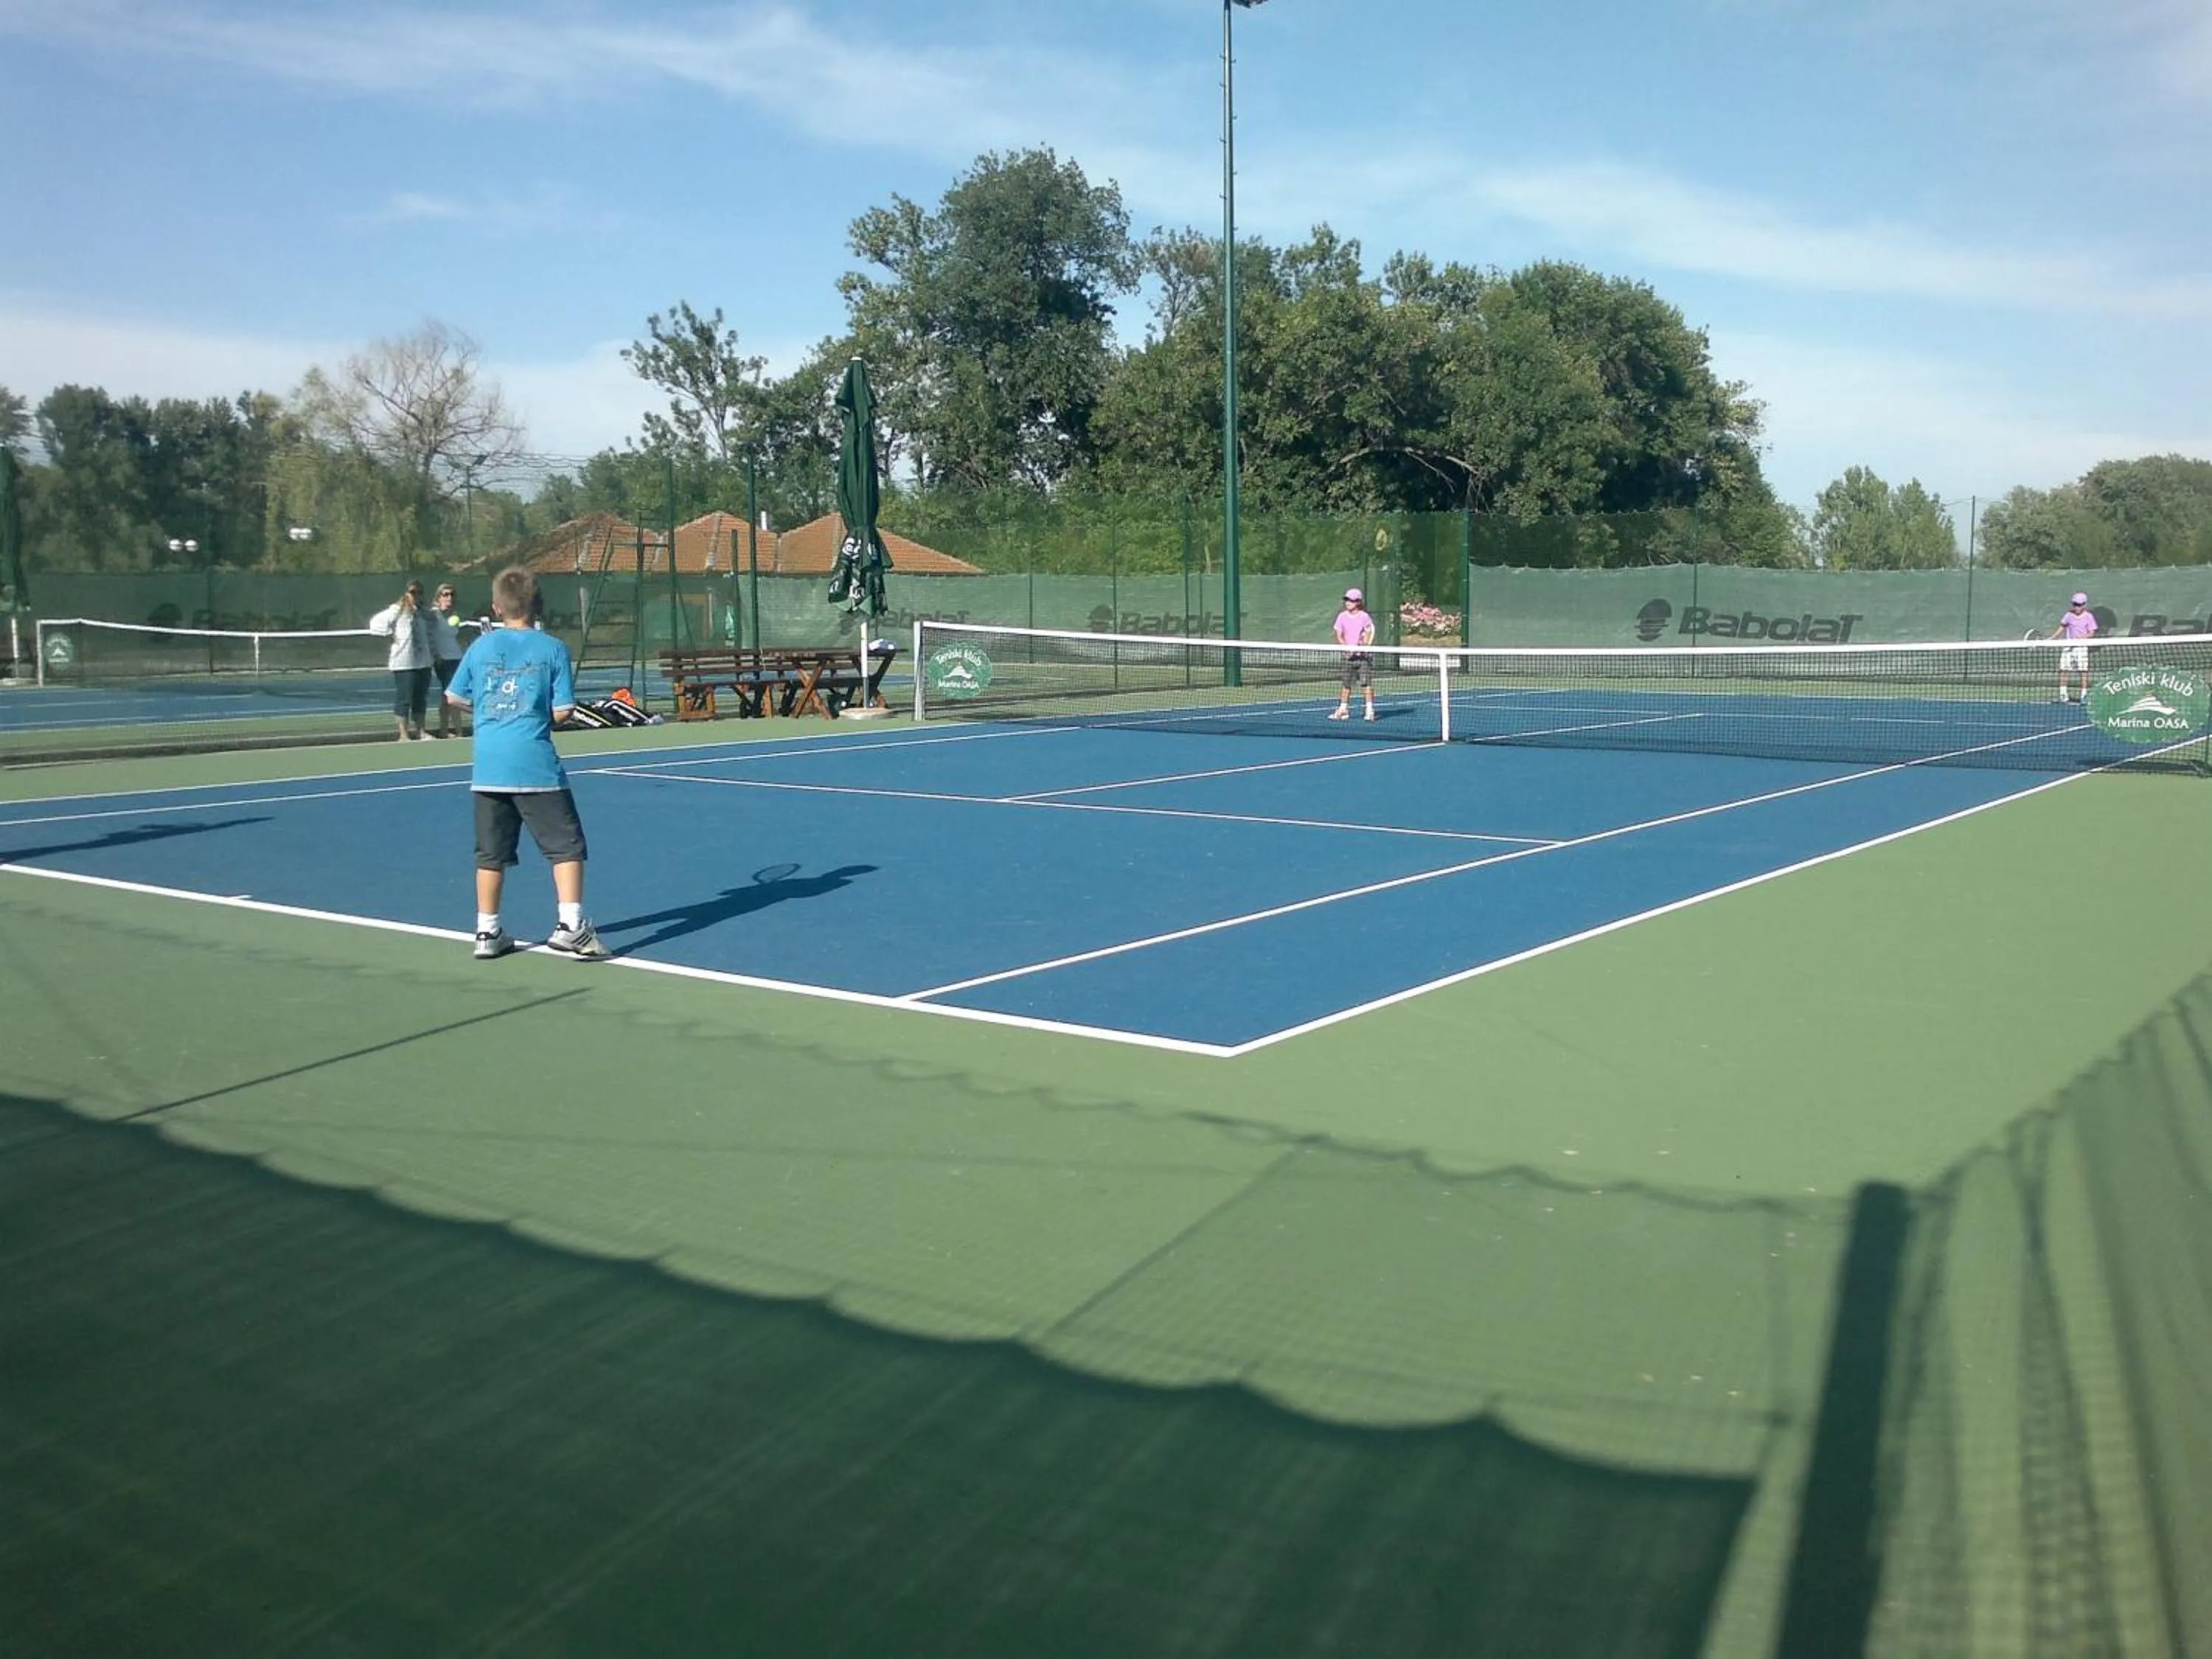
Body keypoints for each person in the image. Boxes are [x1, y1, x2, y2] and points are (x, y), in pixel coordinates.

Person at [446, 566, 609, 961]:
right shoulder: (553, 648)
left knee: (490, 854)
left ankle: (487, 931)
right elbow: (564, 711)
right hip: (536, 766)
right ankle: (570, 926)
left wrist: (491, 711)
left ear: (495, 607)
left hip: (488, 768)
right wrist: (532, 714)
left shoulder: (480, 648)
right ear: (539, 605)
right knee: (567, 847)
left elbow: (454, 697)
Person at [367, 580, 437, 741]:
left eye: (419, 592)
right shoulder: (396, 611)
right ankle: (404, 734)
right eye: (413, 592)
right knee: (404, 699)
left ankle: (421, 731)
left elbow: (434, 626)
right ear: (406, 593)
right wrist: (391, 634)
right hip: (404, 663)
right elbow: (375, 624)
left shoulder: (423, 613)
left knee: (420, 699)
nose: (416, 596)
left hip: (423, 663)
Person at [1329, 587, 1377, 721]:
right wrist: (1346, 648)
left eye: (1351, 600)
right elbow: (1339, 634)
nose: (1348, 603)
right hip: (1348, 657)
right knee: (1346, 684)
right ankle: (1343, 709)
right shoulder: (1342, 617)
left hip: (1363, 658)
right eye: (1346, 600)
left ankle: (1369, 710)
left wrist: (1363, 647)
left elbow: (1368, 632)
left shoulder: (1364, 617)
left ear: (1357, 602)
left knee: (1366, 684)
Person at [428, 583, 469, 737]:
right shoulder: (433, 615)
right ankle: (452, 730)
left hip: (456, 658)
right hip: (442, 660)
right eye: (445, 594)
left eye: (451, 594)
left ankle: (451, 730)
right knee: (450, 695)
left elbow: (454, 637)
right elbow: (430, 637)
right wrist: (435, 655)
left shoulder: (455, 616)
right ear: (438, 597)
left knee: (451, 695)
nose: (449, 597)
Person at [2051, 591, 2098, 703]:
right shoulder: (2069, 615)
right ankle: (2063, 695)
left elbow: (2092, 632)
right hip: (2068, 646)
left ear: (2084, 605)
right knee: (2064, 670)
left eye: (2079, 605)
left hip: (2081, 648)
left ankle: (2084, 695)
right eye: (2075, 604)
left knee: (2083, 671)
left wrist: (2082, 638)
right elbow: (2062, 627)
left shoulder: (2089, 617)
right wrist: (2052, 638)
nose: (2076, 607)